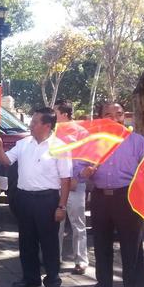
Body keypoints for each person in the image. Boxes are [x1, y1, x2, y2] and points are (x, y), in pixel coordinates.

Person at [0, 107, 72, 287]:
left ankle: (53, 281)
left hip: (47, 200)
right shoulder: (23, 144)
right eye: (32, 121)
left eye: (35, 122)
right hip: (24, 198)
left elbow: (65, 180)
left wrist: (62, 206)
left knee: (49, 242)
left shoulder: (59, 146)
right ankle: (30, 277)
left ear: (47, 125)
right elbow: (6, 161)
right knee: (26, 240)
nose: (31, 124)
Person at [78, 102, 144, 287]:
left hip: (127, 197)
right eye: (109, 115)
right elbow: (78, 170)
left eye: (119, 114)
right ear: (101, 118)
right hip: (99, 197)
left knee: (132, 246)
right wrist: (85, 173)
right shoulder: (92, 142)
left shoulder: (137, 141)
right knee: (101, 243)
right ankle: (104, 285)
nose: (115, 118)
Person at [53, 100, 89, 274]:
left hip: (75, 184)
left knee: (78, 223)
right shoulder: (53, 132)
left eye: (55, 112)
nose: (53, 116)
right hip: (56, 184)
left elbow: (87, 157)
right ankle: (54, 257)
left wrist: (78, 177)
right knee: (56, 223)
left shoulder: (81, 132)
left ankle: (81, 261)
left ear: (64, 114)